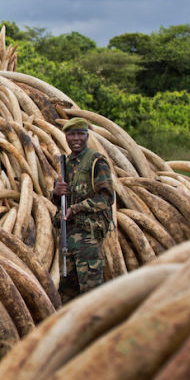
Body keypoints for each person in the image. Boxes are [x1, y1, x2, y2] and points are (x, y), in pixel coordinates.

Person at [52, 117, 115, 303]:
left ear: (87, 136)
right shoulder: (67, 163)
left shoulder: (96, 161)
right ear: (66, 137)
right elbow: (62, 201)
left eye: (80, 134)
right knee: (67, 292)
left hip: (88, 238)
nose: (76, 138)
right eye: (72, 134)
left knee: (91, 292)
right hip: (68, 237)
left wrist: (77, 208)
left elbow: (107, 198)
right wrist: (56, 193)